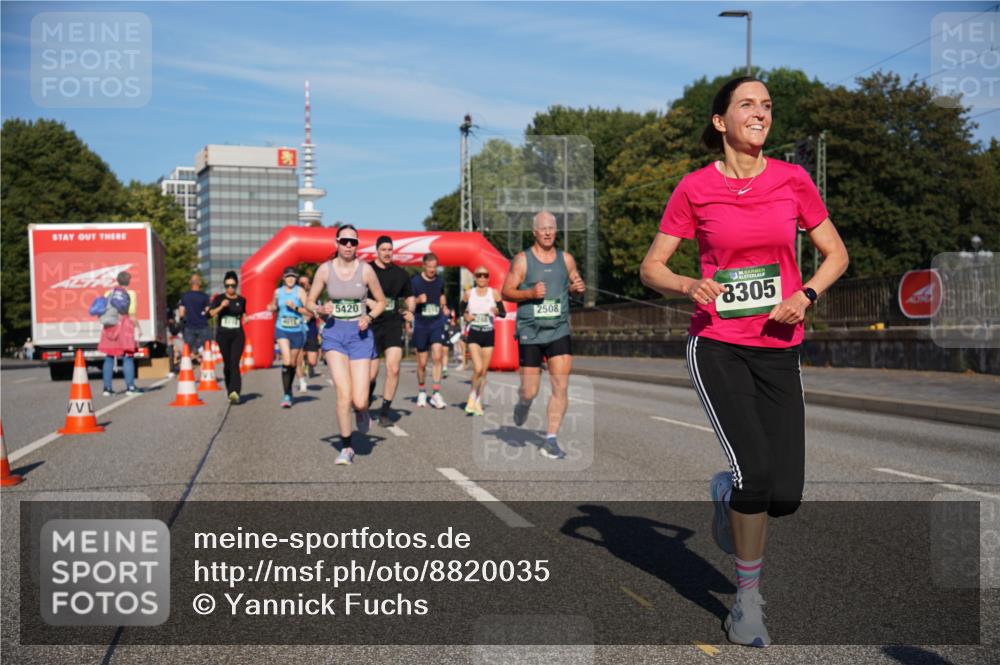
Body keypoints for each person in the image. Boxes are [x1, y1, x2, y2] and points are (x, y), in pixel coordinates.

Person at [639, 77, 849, 648]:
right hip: (718, 343)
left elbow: (836, 253)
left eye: (767, 106)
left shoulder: (792, 180)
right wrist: (688, 284)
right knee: (754, 473)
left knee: (785, 496)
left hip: (780, 345)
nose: (761, 113)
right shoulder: (695, 188)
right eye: (748, 105)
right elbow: (651, 267)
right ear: (720, 121)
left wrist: (805, 294)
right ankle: (746, 604)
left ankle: (725, 495)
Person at [501, 211, 586, 459]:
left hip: (559, 329)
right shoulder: (522, 260)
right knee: (530, 390)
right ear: (534, 232)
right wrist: (529, 294)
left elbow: (575, 283)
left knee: (561, 385)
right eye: (543, 228)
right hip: (530, 331)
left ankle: (550, 439)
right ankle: (524, 403)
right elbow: (506, 291)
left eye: (552, 228)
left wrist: (578, 288)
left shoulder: (566, 259)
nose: (548, 232)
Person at [308, 225, 386, 466]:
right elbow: (310, 301)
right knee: (343, 393)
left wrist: (369, 317)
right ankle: (346, 447)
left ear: (357, 245)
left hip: (360, 336)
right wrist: (320, 308)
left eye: (353, 242)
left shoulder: (366, 271)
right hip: (334, 335)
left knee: (360, 400)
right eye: (344, 241)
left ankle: (362, 411)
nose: (349, 246)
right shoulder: (325, 270)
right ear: (337, 243)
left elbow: (381, 302)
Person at [365, 236, 415, 427]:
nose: (387, 253)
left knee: (393, 368)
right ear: (377, 251)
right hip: (371, 324)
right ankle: (366, 397)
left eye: (390, 249)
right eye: (383, 249)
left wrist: (410, 311)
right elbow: (356, 293)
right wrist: (368, 301)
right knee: (371, 375)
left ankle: (385, 413)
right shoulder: (367, 271)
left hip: (393, 324)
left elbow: (409, 296)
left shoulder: (401, 274)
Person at [460, 266, 505, 415]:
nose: (482, 278)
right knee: (478, 368)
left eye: (485, 275)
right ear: (475, 277)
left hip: (488, 334)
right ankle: (472, 396)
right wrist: (466, 316)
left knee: (484, 372)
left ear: (488, 277)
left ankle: (478, 401)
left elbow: (503, 313)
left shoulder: (494, 293)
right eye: (479, 275)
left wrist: (497, 312)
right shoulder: (469, 293)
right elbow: (461, 309)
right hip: (474, 334)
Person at [410, 253, 449, 409]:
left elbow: (442, 295)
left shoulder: (440, 280)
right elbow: (408, 302)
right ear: (424, 266)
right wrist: (418, 300)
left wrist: (444, 306)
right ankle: (421, 391)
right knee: (422, 363)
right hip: (421, 325)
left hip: (436, 323)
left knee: (438, 356)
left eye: (435, 267)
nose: (433, 270)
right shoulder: (415, 281)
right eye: (430, 267)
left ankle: (436, 393)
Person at [268, 266, 310, 408]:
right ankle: (287, 394)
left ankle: (289, 389)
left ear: (296, 278)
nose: (290, 279)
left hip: (297, 330)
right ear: (284, 278)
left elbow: (309, 312)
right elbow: (274, 305)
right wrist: (272, 307)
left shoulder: (300, 291)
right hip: (282, 329)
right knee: (286, 360)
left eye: (293, 276)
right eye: (288, 276)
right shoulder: (277, 292)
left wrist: (295, 308)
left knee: (292, 363)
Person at [97, 271, 141, 395]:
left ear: (117, 280)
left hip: (110, 326)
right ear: (129, 281)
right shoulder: (130, 294)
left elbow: (104, 310)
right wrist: (138, 328)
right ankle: (130, 387)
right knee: (128, 356)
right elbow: (131, 314)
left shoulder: (108, 293)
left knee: (109, 356)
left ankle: (107, 389)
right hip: (124, 326)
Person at [208, 271, 247, 404]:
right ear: (224, 285)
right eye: (227, 285)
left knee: (235, 363)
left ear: (236, 285)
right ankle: (230, 390)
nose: (230, 288)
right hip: (223, 336)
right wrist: (221, 306)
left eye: (232, 285)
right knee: (228, 364)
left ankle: (235, 391)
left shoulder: (241, 300)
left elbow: (243, 313)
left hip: (237, 335)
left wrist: (246, 317)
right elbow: (209, 314)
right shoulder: (219, 299)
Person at [178, 274, 211, 363]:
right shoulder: (205, 296)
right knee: (207, 350)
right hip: (203, 326)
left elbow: (181, 314)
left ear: (190, 283)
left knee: (187, 351)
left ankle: (187, 367)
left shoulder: (185, 296)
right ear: (199, 283)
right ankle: (206, 368)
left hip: (189, 326)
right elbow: (208, 312)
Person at [298, 273, 321, 389]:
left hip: (311, 329)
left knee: (313, 361)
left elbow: (316, 313)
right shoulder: (294, 295)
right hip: (297, 329)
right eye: (301, 283)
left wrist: (309, 314)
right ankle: (302, 381)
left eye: (305, 283)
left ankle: (309, 364)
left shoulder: (314, 298)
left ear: (309, 285)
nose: (303, 285)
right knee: (298, 356)